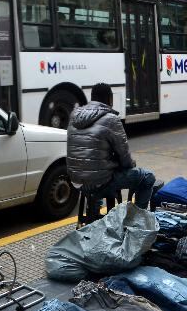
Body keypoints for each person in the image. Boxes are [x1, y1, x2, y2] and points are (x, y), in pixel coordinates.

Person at [66, 83, 156, 215]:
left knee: (95, 173)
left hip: (77, 182)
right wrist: (129, 166)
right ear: (110, 99)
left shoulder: (74, 116)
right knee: (147, 177)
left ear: (92, 98)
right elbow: (124, 156)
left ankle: (93, 217)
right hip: (100, 183)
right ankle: (137, 220)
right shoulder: (111, 119)